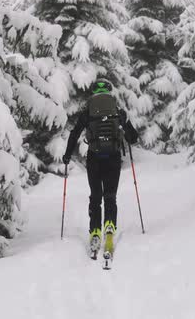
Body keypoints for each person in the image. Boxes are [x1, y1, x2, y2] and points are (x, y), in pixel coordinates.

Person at [62, 78, 139, 260]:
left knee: (96, 197)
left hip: (94, 158)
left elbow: (74, 134)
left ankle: (95, 231)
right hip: (112, 157)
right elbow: (133, 138)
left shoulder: (88, 111)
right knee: (110, 196)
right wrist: (124, 123)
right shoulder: (118, 111)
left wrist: (67, 155)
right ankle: (110, 227)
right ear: (110, 92)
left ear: (94, 93)